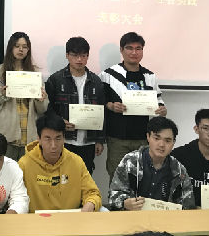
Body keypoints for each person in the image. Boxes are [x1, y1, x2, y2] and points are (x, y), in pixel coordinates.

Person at [100, 32, 166, 181]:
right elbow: (98, 102)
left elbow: (158, 100)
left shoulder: (150, 76)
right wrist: (111, 106)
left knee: (141, 178)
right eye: (129, 48)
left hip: (142, 138)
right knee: (117, 178)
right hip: (117, 138)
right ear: (121, 50)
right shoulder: (108, 75)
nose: (134, 52)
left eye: (138, 48)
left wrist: (162, 109)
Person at [18, 111, 101, 212]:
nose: (53, 145)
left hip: (69, 219)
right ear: (39, 139)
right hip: (36, 219)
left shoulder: (76, 162)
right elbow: (16, 199)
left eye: (58, 138)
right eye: (48, 139)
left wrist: (90, 204)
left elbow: (93, 193)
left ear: (64, 138)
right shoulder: (24, 165)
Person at [45, 36, 105, 174]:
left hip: (88, 142)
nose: (79, 59)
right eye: (75, 55)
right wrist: (59, 122)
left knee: (84, 178)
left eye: (83, 55)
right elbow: (47, 109)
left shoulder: (96, 81)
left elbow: (102, 113)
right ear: (67, 55)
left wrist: (99, 140)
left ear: (87, 56)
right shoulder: (55, 80)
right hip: (64, 140)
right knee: (61, 178)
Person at [107, 116, 194, 211]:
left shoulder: (178, 170)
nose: (161, 144)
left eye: (167, 141)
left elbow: (188, 204)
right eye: (157, 138)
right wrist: (124, 203)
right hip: (133, 216)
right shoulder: (130, 161)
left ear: (173, 142)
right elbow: (112, 197)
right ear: (148, 137)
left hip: (165, 218)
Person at [0, 32, 48, 160]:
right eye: (17, 46)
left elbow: (42, 109)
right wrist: (3, 95)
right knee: (5, 171)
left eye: (24, 47)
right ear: (11, 48)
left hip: (29, 137)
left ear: (28, 50)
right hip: (7, 135)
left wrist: (41, 100)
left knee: (27, 172)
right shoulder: (0, 70)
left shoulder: (34, 72)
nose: (21, 49)